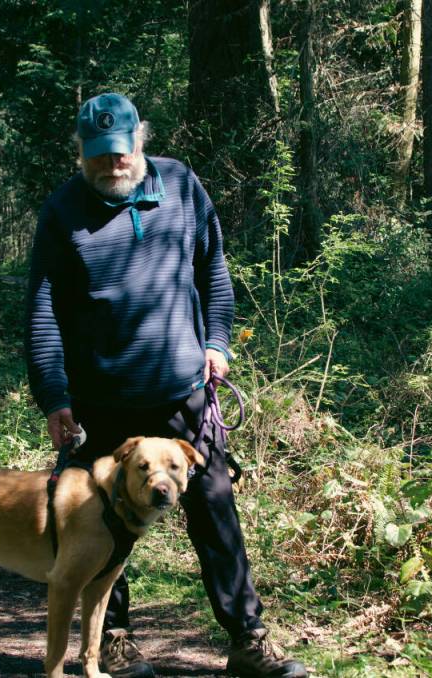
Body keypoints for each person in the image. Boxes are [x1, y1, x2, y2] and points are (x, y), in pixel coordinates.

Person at [25, 92, 308, 678]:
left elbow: (214, 268)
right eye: (98, 156)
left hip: (184, 394)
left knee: (214, 507)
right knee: (98, 520)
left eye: (120, 153)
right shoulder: (62, 211)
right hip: (100, 405)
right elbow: (42, 310)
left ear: (140, 143)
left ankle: (248, 639)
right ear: (81, 154)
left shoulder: (181, 187)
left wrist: (217, 342)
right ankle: (115, 641)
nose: (111, 165)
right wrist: (54, 395)